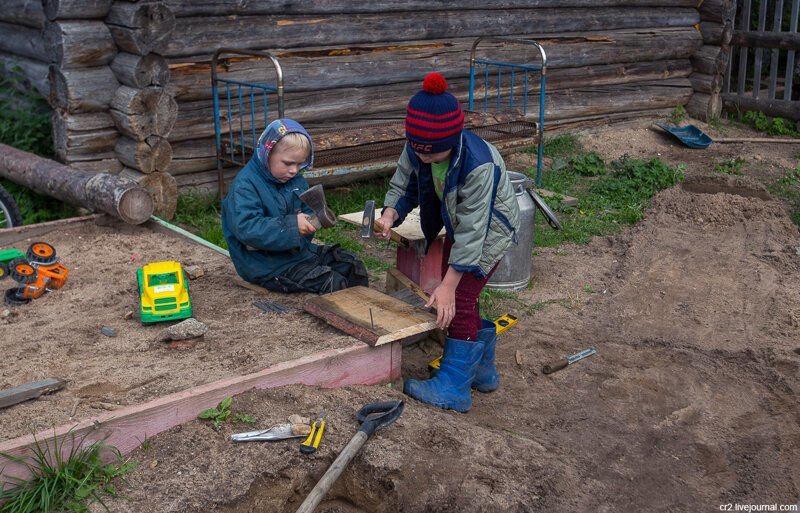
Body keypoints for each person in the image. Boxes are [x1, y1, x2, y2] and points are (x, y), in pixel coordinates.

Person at [377, 73, 521, 412]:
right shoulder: (419, 147)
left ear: (453, 139)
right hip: (462, 230)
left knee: (460, 294)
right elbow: (406, 182)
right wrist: (389, 212)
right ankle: (482, 371)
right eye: (418, 151)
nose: (424, 159)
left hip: (489, 231)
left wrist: (449, 285)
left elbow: (474, 229)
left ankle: (455, 385)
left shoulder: (477, 164)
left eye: (432, 154)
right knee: (459, 297)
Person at [222, 118, 369, 294]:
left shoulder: (296, 181)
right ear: (267, 154)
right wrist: (293, 226)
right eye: (287, 163)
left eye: (300, 164)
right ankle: (349, 317)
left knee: (351, 265)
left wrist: (313, 221)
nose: (294, 170)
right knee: (331, 282)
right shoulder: (245, 186)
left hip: (300, 253)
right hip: (266, 265)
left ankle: (368, 311)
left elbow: (307, 210)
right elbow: (247, 229)